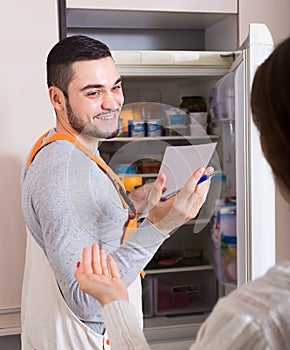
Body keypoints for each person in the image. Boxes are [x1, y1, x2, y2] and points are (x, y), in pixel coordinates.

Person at [75, 36, 290, 350]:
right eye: (95, 92)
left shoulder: (257, 320)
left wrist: (115, 300)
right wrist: (140, 205)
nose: (111, 102)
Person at [20, 35, 212, 349]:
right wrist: (160, 227)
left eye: (116, 87)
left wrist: (135, 207)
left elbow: (90, 230)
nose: (112, 103)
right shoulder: (62, 174)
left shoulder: (64, 147)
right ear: (57, 98)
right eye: (94, 93)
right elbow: (88, 301)